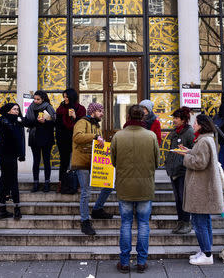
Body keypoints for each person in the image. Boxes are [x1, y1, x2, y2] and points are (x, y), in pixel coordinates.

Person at [111, 105, 159, 274]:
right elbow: (157, 161)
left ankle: (124, 262)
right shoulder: (151, 136)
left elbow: (113, 161)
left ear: (128, 116)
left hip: (125, 186)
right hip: (145, 186)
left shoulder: (118, 136)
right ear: (143, 117)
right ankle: (141, 261)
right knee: (144, 224)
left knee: (125, 223)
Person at [174, 114, 224, 265]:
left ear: (202, 125)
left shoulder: (203, 141)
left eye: (195, 123)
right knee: (204, 221)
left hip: (200, 188)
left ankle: (207, 254)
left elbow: (200, 163)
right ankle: (205, 250)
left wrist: (186, 157)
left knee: (199, 222)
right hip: (203, 187)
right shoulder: (207, 139)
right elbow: (201, 158)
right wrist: (189, 151)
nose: (194, 125)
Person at [71, 102, 113, 235]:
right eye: (100, 111)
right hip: (82, 162)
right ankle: (85, 222)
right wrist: (95, 137)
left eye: (102, 111)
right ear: (93, 111)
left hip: (96, 163)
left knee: (109, 185)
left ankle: (97, 209)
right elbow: (77, 137)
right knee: (85, 192)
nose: (102, 114)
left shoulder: (96, 125)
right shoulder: (82, 122)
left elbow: (98, 142)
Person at [164, 107, 195, 234]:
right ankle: (180, 222)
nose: (174, 120)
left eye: (176, 118)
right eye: (174, 118)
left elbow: (193, 151)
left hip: (183, 170)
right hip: (173, 170)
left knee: (184, 198)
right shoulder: (176, 131)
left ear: (183, 120)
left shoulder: (189, 132)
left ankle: (187, 223)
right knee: (177, 199)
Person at [0, 102, 26, 220]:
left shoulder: (12, 121)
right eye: (14, 109)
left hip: (8, 154)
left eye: (18, 109)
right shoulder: (6, 121)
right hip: (6, 154)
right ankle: (16, 209)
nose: (17, 111)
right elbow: (16, 137)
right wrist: (18, 122)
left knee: (5, 178)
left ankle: (2, 209)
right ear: (8, 111)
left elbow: (20, 138)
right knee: (12, 180)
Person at [23, 90, 56, 193]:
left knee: (46, 161)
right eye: (35, 99)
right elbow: (28, 122)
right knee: (36, 161)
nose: (36, 101)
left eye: (38, 99)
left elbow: (54, 122)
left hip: (46, 137)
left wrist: (45, 121)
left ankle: (47, 183)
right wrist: (35, 121)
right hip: (34, 137)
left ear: (43, 99)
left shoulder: (48, 107)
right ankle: (36, 183)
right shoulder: (31, 107)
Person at [55, 88, 86, 192]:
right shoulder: (60, 109)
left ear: (72, 97)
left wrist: (75, 117)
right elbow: (58, 125)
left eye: (67, 96)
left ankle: (76, 184)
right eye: (64, 96)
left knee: (76, 162)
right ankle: (62, 183)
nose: (65, 99)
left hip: (76, 138)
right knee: (63, 161)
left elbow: (82, 124)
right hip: (63, 138)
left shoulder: (80, 109)